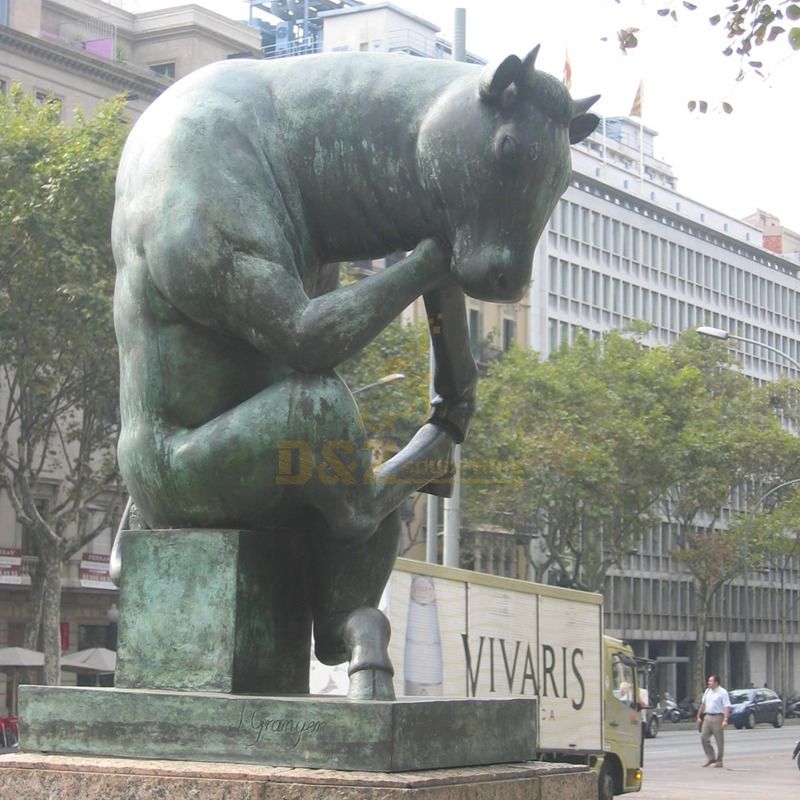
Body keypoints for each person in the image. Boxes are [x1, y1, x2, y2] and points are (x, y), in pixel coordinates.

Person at [697, 674, 731, 768]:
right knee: (704, 737)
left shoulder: (723, 692)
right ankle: (710, 757)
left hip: (718, 717)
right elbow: (703, 704)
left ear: (716, 683)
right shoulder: (707, 691)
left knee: (719, 740)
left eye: (710, 681)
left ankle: (719, 760)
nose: (708, 683)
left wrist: (725, 719)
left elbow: (726, 706)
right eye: (709, 681)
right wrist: (699, 715)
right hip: (707, 717)